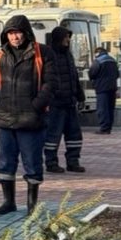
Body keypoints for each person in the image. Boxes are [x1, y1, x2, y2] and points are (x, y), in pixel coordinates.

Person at [0, 15, 56, 215]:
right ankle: (9, 202)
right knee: (6, 163)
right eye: (11, 33)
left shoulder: (43, 53)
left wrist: (35, 106)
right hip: (6, 119)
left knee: (32, 163)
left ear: (26, 33)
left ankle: (32, 205)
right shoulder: (1, 55)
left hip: (31, 120)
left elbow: (50, 84)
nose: (15, 37)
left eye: (18, 32)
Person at [41, 26, 86, 173]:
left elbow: (74, 77)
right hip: (55, 103)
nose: (68, 40)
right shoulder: (49, 54)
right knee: (53, 134)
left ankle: (73, 161)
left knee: (74, 134)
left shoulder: (68, 55)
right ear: (59, 38)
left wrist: (80, 95)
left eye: (69, 37)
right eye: (66, 37)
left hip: (69, 102)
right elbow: (47, 79)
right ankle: (51, 162)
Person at [88, 46, 119, 134]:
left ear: (98, 52)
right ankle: (109, 127)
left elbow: (92, 73)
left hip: (102, 88)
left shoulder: (98, 61)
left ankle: (104, 128)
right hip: (112, 87)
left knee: (102, 108)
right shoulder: (113, 60)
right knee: (110, 108)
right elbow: (117, 74)